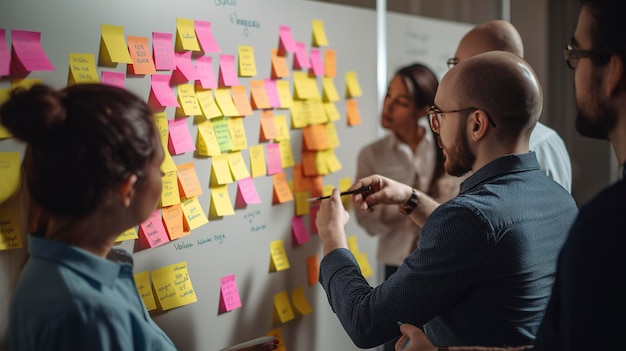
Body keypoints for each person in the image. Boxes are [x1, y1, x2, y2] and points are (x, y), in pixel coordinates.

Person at [392, 0, 626, 350]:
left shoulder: (606, 223)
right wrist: (411, 199)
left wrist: (334, 241)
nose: (451, 75)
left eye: (577, 53)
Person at [316, 51, 579, 349]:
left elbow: (365, 322)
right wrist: (410, 198)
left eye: (439, 115)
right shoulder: (561, 200)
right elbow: (480, 247)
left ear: (477, 124)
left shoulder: (470, 219)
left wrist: (332, 238)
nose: (435, 128)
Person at [354, 63, 460, 279]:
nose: (388, 107)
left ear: (422, 110)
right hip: (396, 263)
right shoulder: (372, 155)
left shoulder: (446, 147)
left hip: (443, 258)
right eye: (388, 96)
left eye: (401, 102)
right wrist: (407, 203)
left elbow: (459, 212)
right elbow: (368, 223)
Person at [448, 20, 572, 192]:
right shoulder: (552, 140)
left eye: (458, 65)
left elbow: (471, 217)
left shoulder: (500, 155)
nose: (452, 75)